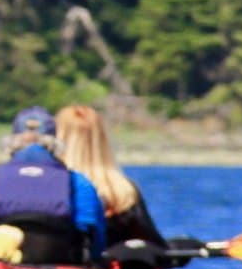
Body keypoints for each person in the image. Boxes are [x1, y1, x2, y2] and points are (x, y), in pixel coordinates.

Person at [0, 107, 107, 269]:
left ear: (11, 144)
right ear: (55, 146)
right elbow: (97, 239)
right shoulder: (79, 183)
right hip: (60, 264)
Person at [54, 103, 167, 249]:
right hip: (106, 264)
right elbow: (153, 244)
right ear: (102, 139)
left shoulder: (47, 186)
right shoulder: (123, 193)